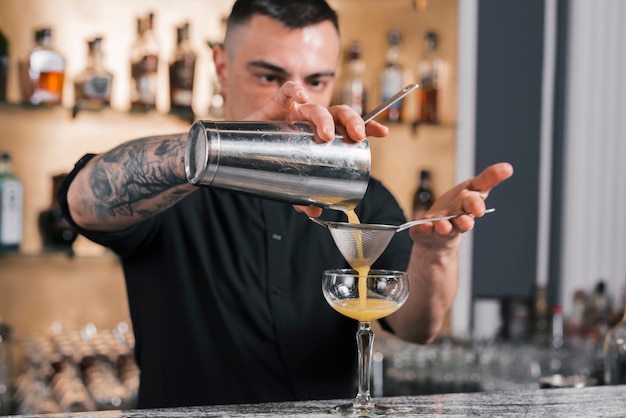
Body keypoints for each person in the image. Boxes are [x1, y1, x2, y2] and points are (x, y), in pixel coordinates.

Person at [59, 0, 513, 409]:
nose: (297, 100)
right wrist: (223, 143)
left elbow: (417, 327)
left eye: (318, 80)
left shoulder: (363, 195)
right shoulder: (175, 187)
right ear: (221, 66)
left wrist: (435, 254)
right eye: (269, 77)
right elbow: (81, 200)